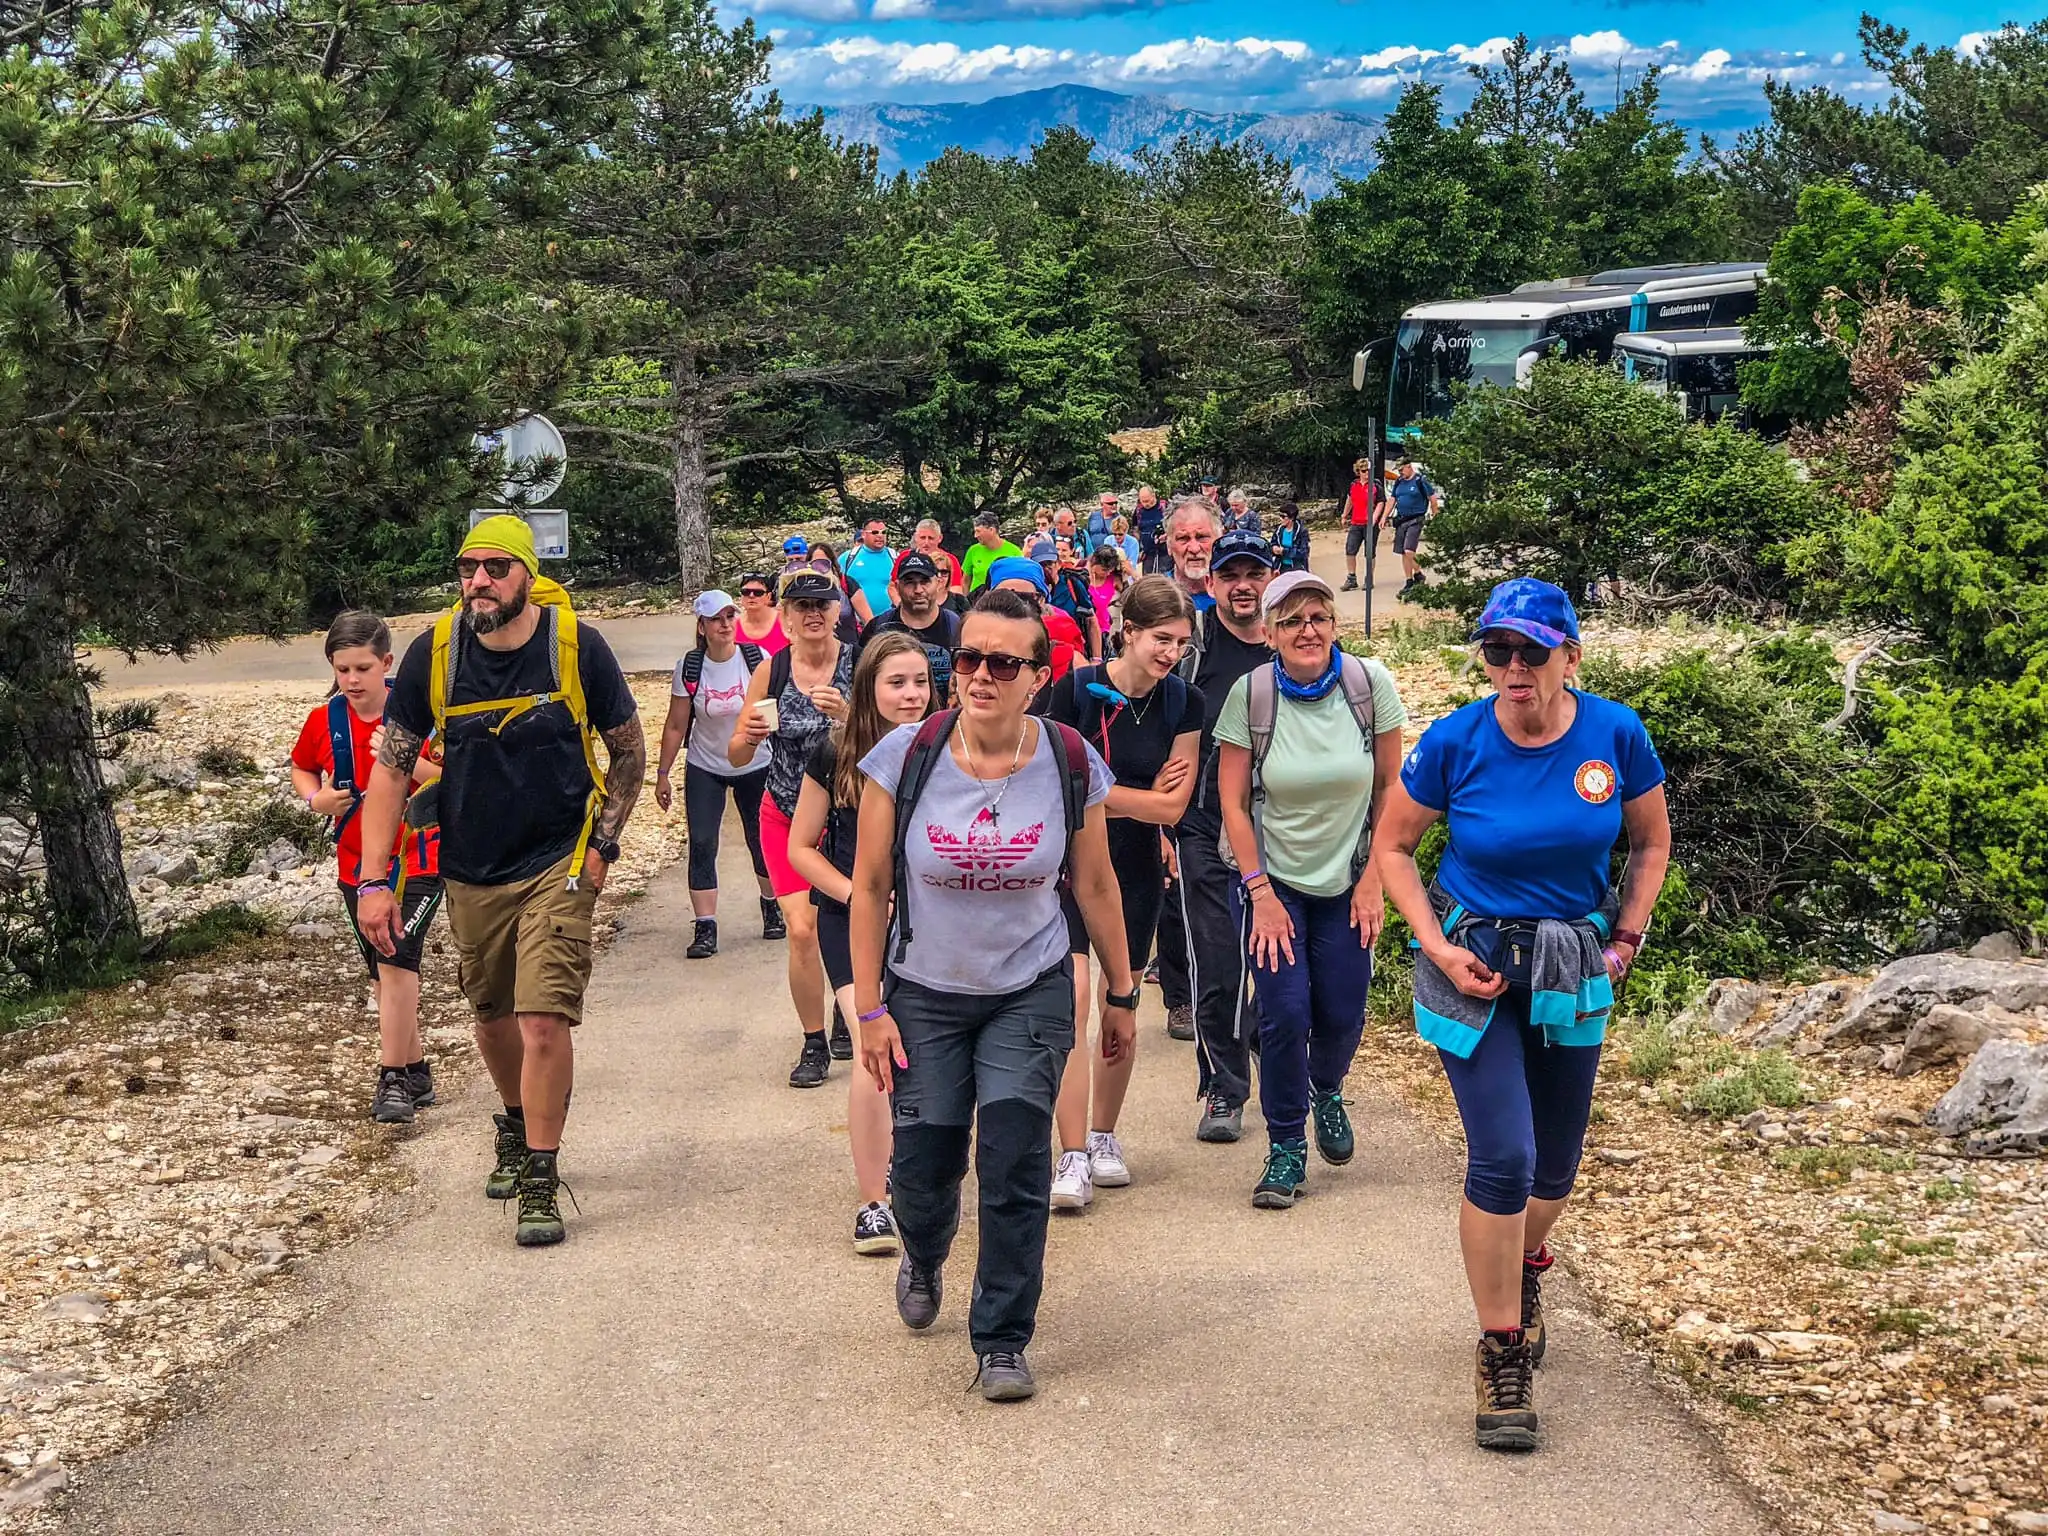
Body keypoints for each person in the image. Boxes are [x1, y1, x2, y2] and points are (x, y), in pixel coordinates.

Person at [1373, 577, 1671, 1452]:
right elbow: (1393, 846)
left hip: (1573, 964)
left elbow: (1650, 842)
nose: (1512, 667)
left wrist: (1627, 938)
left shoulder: (1614, 733)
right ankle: (1501, 1350)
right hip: (1475, 964)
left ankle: (1527, 1261)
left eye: (1532, 651)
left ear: (1569, 657)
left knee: (1556, 1168)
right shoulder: (1456, 740)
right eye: (1497, 650)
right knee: (1504, 1156)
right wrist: (1432, 943)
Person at [849, 589, 1136, 1402]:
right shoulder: (904, 757)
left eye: (1002, 663)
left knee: (1014, 1160)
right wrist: (869, 1009)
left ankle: (1003, 1338)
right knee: (928, 1161)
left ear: (1037, 678)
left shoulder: (1071, 759)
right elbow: (869, 888)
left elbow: (1096, 883)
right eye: (967, 658)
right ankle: (926, 1249)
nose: (978, 675)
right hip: (925, 991)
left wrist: (1121, 991)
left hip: (1029, 985)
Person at [354, 515, 643, 1247]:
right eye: (467, 567)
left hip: (561, 860)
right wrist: (373, 881)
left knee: (544, 1016)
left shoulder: (576, 645)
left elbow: (628, 752)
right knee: (493, 1017)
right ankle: (516, 1124)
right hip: (471, 866)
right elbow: (391, 767)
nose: (477, 581)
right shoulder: (435, 654)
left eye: (494, 568)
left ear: (526, 574)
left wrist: (604, 846)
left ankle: (542, 1174)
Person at [1216, 570, 1406, 1209]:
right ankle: (1286, 1145)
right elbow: (1234, 804)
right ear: (1269, 632)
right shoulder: (1251, 695)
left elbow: (1390, 791)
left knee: (1343, 1010)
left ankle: (1328, 1087)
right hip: (1275, 883)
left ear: (1334, 624)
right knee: (1284, 1011)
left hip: (1351, 877)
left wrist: (1376, 877)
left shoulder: (1368, 685)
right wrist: (1260, 892)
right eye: (1292, 619)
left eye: (1318, 616)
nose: (1307, 630)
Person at [1044, 577, 1204, 1208]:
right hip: (1067, 865)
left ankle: (1104, 1134)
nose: (1170, 654)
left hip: (1136, 872)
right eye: (1161, 639)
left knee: (1121, 1007)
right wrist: (1137, 801)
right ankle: (1071, 1150)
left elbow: (1175, 804)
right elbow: (1057, 782)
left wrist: (1114, 799)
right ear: (1128, 631)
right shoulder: (1076, 691)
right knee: (1073, 999)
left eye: (1181, 644)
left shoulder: (1182, 704)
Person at [786, 632, 934, 1258]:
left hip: (929, 923)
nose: (911, 695)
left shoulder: (945, 748)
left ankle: (916, 1176)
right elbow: (800, 849)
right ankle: (874, 1202)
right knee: (874, 1042)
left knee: (920, 1054)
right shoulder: (835, 752)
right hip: (852, 922)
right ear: (869, 688)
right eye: (896, 683)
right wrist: (857, 896)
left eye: (921, 682)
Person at [290, 610, 444, 1126]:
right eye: (342, 670)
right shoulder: (324, 721)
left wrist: (405, 761)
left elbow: (457, 779)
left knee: (398, 960)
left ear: (387, 663)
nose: (352, 681)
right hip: (356, 862)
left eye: (362, 669)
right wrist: (316, 800)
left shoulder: (421, 714)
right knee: (383, 973)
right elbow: (302, 766)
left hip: (421, 856)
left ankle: (391, 1079)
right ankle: (417, 1068)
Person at [728, 570, 855, 1088]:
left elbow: (891, 738)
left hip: (845, 818)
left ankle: (849, 1011)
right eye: (801, 605)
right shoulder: (773, 670)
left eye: (822, 604)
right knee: (802, 930)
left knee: (852, 924)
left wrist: (848, 716)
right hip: (783, 813)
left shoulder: (858, 664)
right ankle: (813, 1042)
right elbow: (735, 751)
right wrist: (750, 735)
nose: (812, 614)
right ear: (784, 616)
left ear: (837, 612)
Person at [1171, 526, 1278, 1142]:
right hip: (1204, 825)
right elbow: (1165, 725)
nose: (1243, 587)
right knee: (1216, 960)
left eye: (1253, 574)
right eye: (1230, 576)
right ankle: (1223, 1089)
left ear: (1270, 578)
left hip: (1280, 830)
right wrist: (1165, 822)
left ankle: (1280, 1059)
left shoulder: (1292, 643)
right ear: (1212, 583)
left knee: (1279, 964)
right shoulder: (1197, 647)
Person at [654, 590, 780, 960]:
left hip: (755, 763)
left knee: (760, 840)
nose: (725, 624)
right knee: (703, 842)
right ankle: (705, 925)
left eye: (729, 616)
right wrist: (663, 773)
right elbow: (677, 724)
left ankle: (771, 905)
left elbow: (773, 714)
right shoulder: (690, 668)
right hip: (705, 764)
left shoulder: (757, 660)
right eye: (716, 619)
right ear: (702, 626)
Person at [861, 550, 960, 702]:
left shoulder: (956, 628)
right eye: (910, 582)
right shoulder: (878, 628)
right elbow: (863, 684)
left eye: (925, 581)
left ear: (938, 583)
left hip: (943, 721)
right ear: (897, 586)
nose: (918, 590)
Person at [988, 557, 1085, 685]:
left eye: (1024, 598)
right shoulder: (972, 653)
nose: (1013, 605)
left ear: (1041, 600)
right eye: (1003, 598)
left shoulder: (1069, 658)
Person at [1040, 536, 1102, 662]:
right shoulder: (1031, 590)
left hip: (1073, 656)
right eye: (1040, 564)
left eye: (1049, 563)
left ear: (1058, 564)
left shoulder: (1072, 583)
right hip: (1042, 656)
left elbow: (1091, 620)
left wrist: (1096, 658)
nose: (1046, 568)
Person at [1388, 458, 1443, 595]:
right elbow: (1392, 499)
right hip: (1401, 519)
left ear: (1408, 466)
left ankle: (1412, 579)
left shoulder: (1420, 481)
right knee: (1402, 551)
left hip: (1416, 519)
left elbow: (1432, 497)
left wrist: (1435, 513)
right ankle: (1414, 576)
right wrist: (1384, 516)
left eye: (1401, 470)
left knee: (1408, 550)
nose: (1400, 473)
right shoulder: (1399, 482)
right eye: (1398, 471)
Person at [839, 516, 898, 624]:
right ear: (863, 534)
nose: (880, 536)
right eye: (875, 532)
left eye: (883, 532)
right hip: (857, 623)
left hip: (891, 620)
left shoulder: (895, 557)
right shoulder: (847, 558)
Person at [1165, 499, 1220, 611]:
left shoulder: (1235, 596)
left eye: (1202, 537)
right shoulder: (1153, 597)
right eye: (1183, 538)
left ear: (1219, 540)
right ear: (1169, 546)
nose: (1194, 549)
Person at [901, 518, 966, 606]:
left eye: (931, 538)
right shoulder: (905, 557)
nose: (926, 542)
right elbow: (893, 586)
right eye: (922, 538)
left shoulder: (949, 559)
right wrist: (902, 606)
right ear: (916, 537)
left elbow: (956, 588)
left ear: (940, 538)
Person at [1342, 457, 1379, 592]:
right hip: (1356, 522)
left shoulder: (1375, 485)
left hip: (1369, 524)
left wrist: (1375, 517)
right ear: (1358, 471)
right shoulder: (1354, 485)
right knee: (1350, 550)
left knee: (1369, 552)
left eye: (1369, 471)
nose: (1367, 474)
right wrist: (1344, 515)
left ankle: (1369, 578)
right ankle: (1351, 577)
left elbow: (1381, 502)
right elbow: (1350, 499)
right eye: (1364, 471)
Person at [963, 510, 1021, 594]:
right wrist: (966, 603)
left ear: (991, 530)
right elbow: (965, 581)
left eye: (978, 531)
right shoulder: (973, 550)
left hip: (1003, 600)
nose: (975, 536)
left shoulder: (1014, 552)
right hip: (976, 601)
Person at [735, 571, 789, 655]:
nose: (751, 596)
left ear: (768, 596)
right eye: (746, 592)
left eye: (758, 593)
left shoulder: (786, 622)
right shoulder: (732, 625)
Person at [1085, 546, 1125, 655]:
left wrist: (1130, 572)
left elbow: (1132, 597)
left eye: (1110, 570)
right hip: (1085, 631)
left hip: (1106, 632)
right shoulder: (1082, 577)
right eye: (1104, 570)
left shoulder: (1114, 579)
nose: (1107, 573)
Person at [1133, 484, 1167, 575]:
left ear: (1153, 496)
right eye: (1143, 501)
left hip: (1165, 552)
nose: (1146, 504)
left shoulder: (1164, 507)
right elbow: (1135, 528)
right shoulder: (1138, 511)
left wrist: (1166, 536)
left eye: (1148, 501)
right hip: (1147, 553)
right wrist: (1140, 548)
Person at [1273, 501, 1310, 572]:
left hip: (1297, 568)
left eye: (1283, 516)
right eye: (1280, 516)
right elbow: (1273, 543)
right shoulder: (1279, 530)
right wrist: (1273, 548)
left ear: (1292, 517)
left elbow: (1304, 552)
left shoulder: (1302, 531)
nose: (1280, 519)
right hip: (1281, 567)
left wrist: (1283, 551)